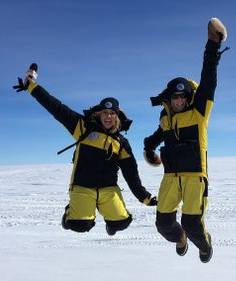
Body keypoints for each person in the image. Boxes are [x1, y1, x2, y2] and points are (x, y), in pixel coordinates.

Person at [13, 65, 157, 235]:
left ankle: (112, 224)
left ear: (117, 117)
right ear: (99, 114)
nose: (108, 116)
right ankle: (70, 212)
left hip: (108, 189)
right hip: (83, 186)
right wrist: (31, 86)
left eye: (112, 113)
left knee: (122, 222)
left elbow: (131, 174)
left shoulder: (122, 143)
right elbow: (55, 107)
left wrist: (145, 197)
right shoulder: (82, 128)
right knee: (79, 225)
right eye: (105, 112)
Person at [143, 18, 227, 263]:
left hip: (194, 178)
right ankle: (180, 240)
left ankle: (204, 245)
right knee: (163, 223)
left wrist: (212, 45)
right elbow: (156, 137)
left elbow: (208, 77)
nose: (179, 101)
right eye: (174, 98)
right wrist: (148, 148)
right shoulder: (166, 118)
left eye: (183, 97)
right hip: (170, 178)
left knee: (191, 224)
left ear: (189, 97)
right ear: (169, 99)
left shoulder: (199, 111)